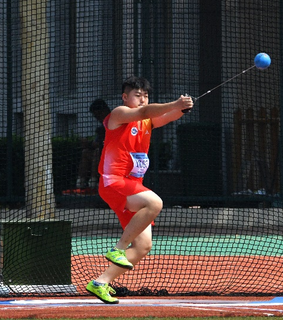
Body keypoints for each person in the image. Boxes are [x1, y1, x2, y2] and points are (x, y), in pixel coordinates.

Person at [85, 76, 193, 304]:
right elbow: (146, 112)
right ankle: (118, 248)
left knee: (143, 246)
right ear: (125, 97)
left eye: (145, 95)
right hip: (113, 182)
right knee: (154, 203)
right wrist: (175, 103)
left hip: (133, 186)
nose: (142, 99)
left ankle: (100, 283)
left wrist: (182, 109)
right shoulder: (118, 114)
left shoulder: (147, 121)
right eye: (137, 95)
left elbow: (165, 117)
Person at [70, 99, 111, 195]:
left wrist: (90, 144)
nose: (97, 118)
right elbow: (97, 143)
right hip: (102, 154)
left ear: (103, 111)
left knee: (97, 152)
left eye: (98, 115)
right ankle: (80, 183)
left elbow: (102, 144)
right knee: (86, 153)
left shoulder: (112, 121)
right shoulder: (102, 126)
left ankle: (94, 183)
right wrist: (88, 144)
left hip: (113, 156)